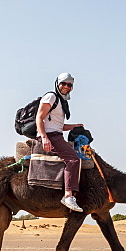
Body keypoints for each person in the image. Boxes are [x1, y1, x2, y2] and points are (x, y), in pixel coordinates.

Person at [35, 73, 84, 212]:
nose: (66, 87)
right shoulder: (51, 97)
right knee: (73, 160)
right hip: (50, 136)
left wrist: (74, 126)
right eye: (64, 83)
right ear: (57, 84)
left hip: (57, 134)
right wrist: (44, 137)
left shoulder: (62, 102)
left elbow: (58, 126)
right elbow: (39, 117)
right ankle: (68, 195)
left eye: (69, 85)